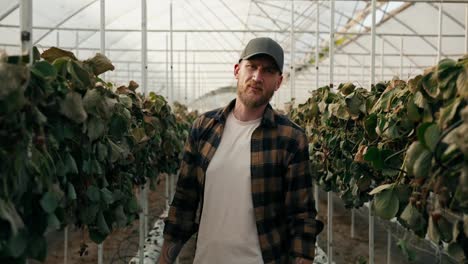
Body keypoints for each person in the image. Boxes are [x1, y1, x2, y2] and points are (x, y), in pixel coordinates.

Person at [158, 37, 323, 264]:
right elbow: (185, 202)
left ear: (278, 81)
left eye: (268, 71)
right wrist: (165, 260)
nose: (257, 77)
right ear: (237, 70)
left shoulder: (290, 138)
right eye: (252, 67)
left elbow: (302, 216)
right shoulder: (204, 127)